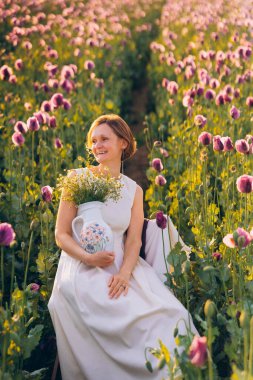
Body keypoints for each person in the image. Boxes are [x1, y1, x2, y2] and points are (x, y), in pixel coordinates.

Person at [48, 114, 198, 380]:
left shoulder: (133, 190)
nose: (97, 146)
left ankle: (174, 373)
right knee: (116, 311)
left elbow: (134, 240)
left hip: (124, 267)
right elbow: (61, 234)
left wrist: (125, 274)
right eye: (93, 141)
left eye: (104, 139)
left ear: (123, 143)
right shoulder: (77, 178)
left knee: (173, 315)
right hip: (82, 267)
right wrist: (89, 258)